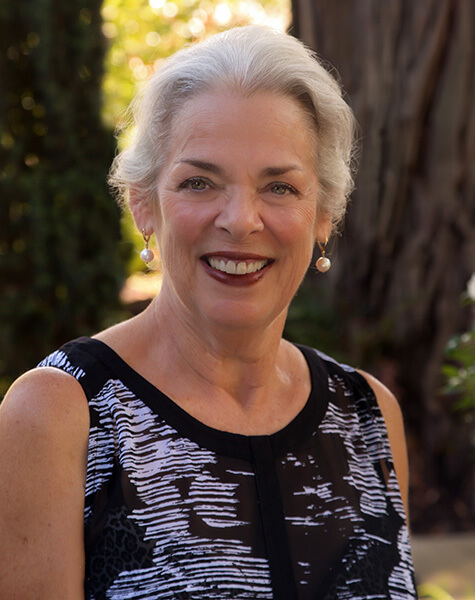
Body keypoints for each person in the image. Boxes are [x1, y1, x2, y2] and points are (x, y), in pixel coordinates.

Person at [0, 25, 417, 600]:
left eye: (280, 188)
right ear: (143, 204)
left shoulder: (369, 417)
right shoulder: (58, 415)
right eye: (199, 182)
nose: (241, 220)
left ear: (324, 215)